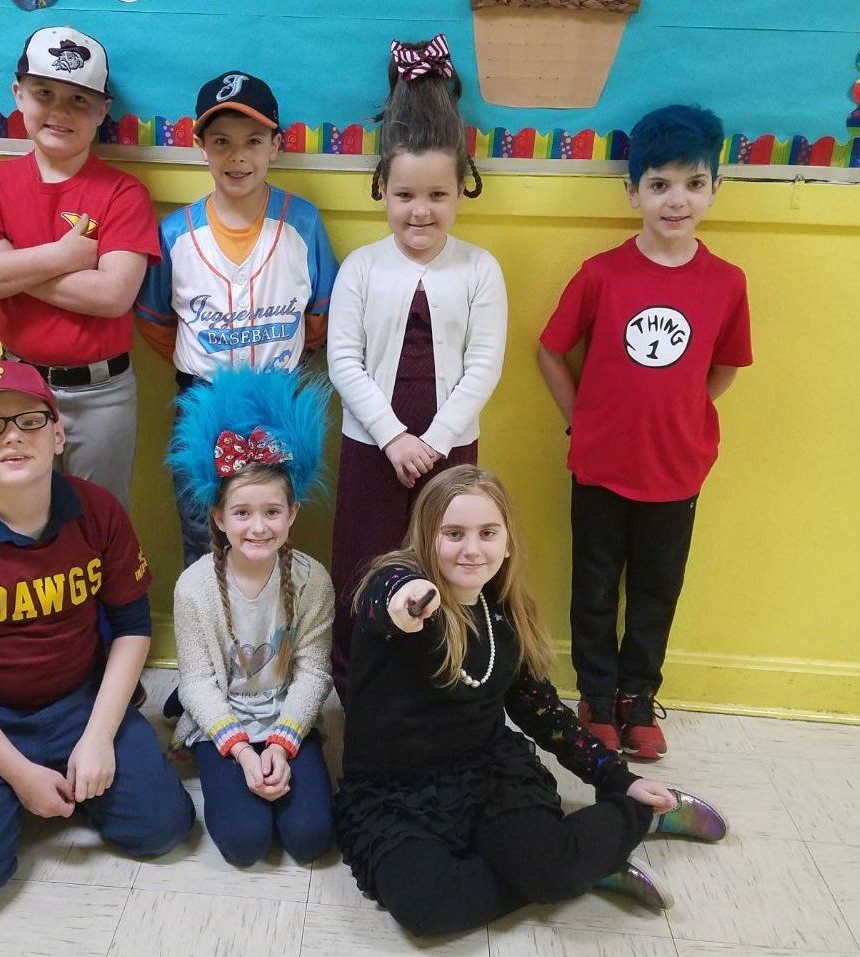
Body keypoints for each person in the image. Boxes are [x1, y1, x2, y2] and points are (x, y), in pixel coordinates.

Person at [335, 465, 729, 937]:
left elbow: (544, 714)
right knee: (429, 909)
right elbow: (388, 598)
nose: (471, 549)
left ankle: (637, 820)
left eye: (487, 533)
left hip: (484, 773)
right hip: (394, 791)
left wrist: (618, 779)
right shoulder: (396, 586)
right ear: (425, 537)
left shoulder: (503, 613)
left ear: (507, 543)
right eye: (453, 534)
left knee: (554, 872)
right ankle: (587, 863)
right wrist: (408, 597)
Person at [0, 360, 195, 913]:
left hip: (78, 703)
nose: (12, 436)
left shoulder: (98, 510)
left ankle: (61, 773)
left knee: (164, 830)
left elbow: (132, 627)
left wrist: (98, 737)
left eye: (29, 421)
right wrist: (20, 775)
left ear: (58, 435)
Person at [536, 104, 752, 759]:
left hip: (676, 468)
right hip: (600, 463)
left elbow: (724, 367)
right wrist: (580, 416)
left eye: (692, 183)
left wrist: (680, 409)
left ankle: (638, 697)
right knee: (594, 587)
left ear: (715, 188)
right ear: (632, 191)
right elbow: (550, 349)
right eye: (658, 184)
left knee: (657, 591)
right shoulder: (601, 273)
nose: (675, 200)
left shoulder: (726, 283)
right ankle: (596, 697)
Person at [327, 35, 507, 700]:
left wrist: (432, 442)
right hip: (372, 443)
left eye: (437, 194)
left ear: (460, 191)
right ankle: (356, 685)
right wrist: (394, 437)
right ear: (382, 189)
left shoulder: (479, 269)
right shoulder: (361, 268)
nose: (420, 210)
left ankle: (438, 680)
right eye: (404, 194)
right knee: (365, 561)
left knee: (447, 561)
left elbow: (483, 365)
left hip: (449, 446)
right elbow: (343, 360)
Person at [0, 26, 160, 508]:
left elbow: (112, 296)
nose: (60, 112)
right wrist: (63, 256)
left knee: (98, 517)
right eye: (44, 93)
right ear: (18, 94)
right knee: (19, 512)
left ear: (103, 111)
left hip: (103, 394)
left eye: (79, 100)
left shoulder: (123, 192)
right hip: (15, 384)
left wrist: (7, 262)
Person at [136, 70, 338, 569]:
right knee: (201, 532)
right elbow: (157, 322)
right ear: (200, 146)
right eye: (221, 141)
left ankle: (268, 621)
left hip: (278, 401)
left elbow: (320, 315)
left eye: (253, 141)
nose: (237, 156)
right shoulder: (175, 233)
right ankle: (207, 622)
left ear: (276, 146)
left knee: (270, 533)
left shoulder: (302, 222)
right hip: (201, 401)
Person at [165, 368, 335, 865]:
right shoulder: (194, 586)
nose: (258, 527)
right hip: (225, 721)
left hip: (285, 714)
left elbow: (314, 673)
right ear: (219, 518)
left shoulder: (312, 581)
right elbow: (197, 683)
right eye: (242, 513)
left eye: (272, 512)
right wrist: (241, 750)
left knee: (310, 839)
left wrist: (281, 744)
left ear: (292, 513)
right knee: (245, 843)